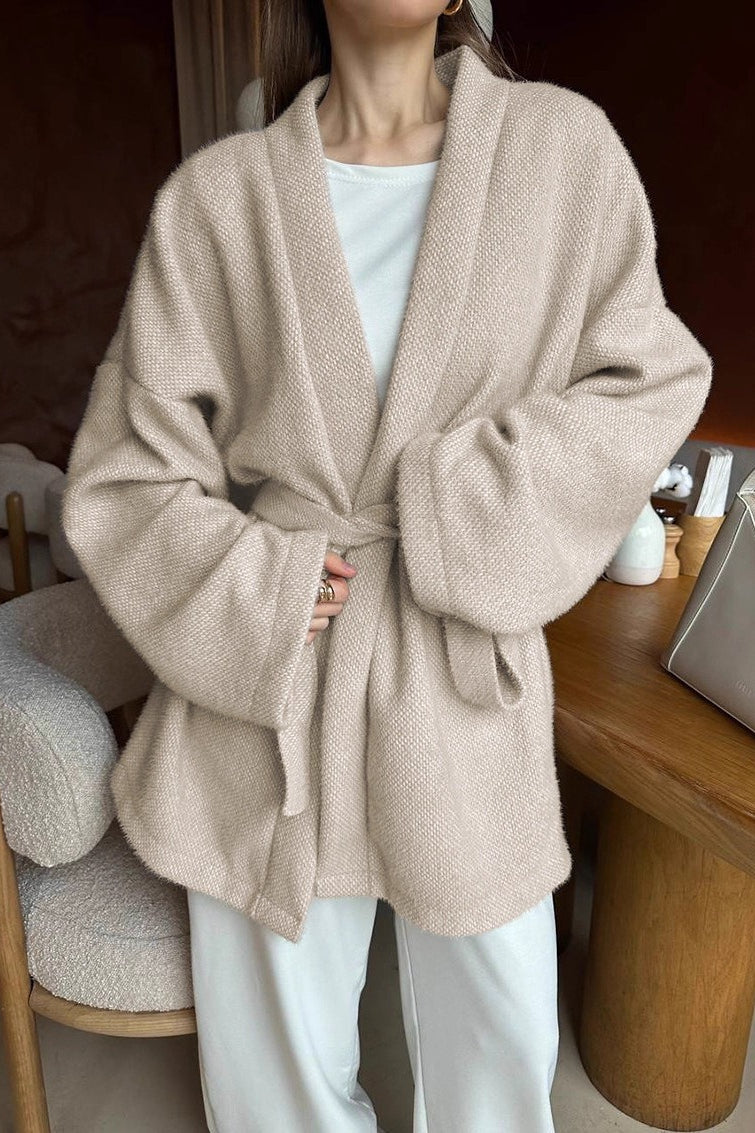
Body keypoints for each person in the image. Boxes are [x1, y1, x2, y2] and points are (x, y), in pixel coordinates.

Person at [61, 1, 713, 1131]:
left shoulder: (558, 151)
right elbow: (122, 477)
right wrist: (256, 586)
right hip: (273, 691)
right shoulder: (218, 200)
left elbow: (649, 378)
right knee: (277, 1087)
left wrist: (463, 505)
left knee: (499, 1050)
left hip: (459, 675)